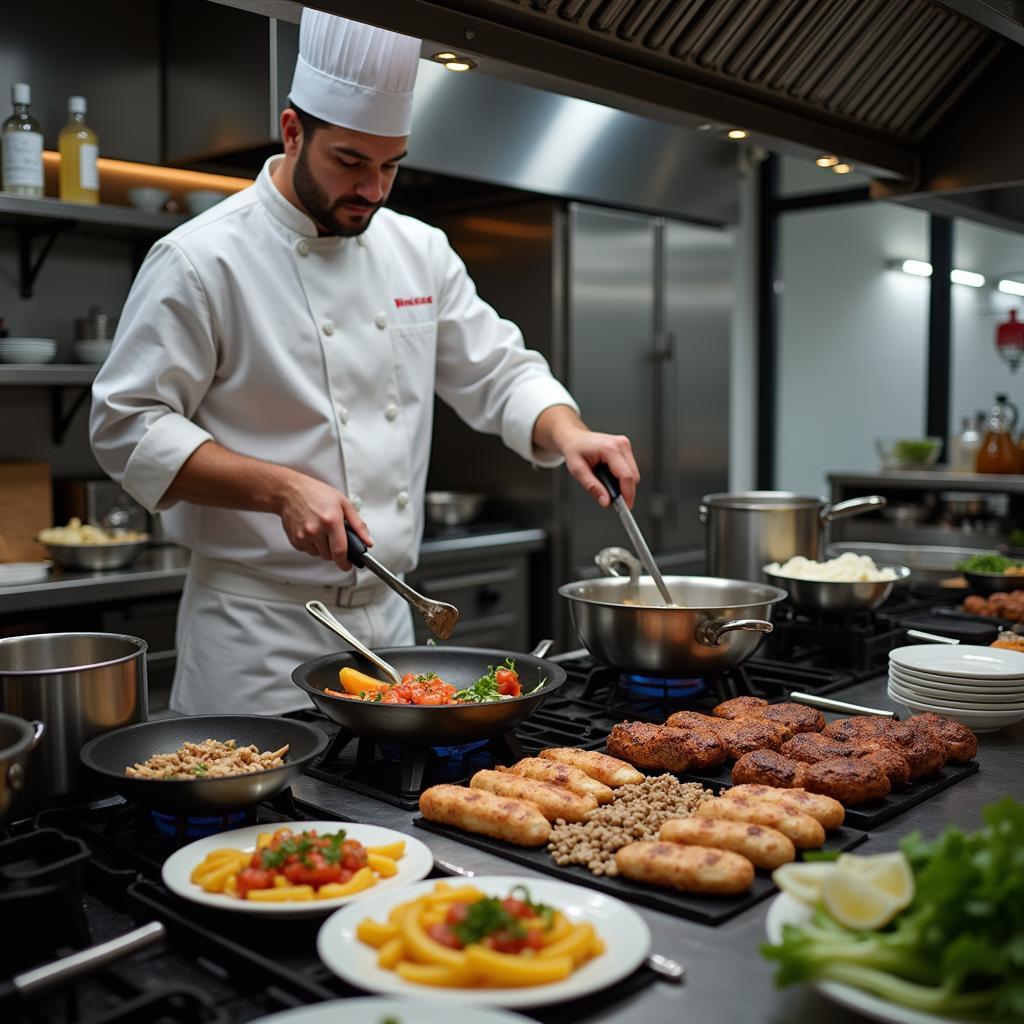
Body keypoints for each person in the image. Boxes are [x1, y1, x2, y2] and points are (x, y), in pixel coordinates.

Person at [90, 11, 639, 715]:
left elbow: (499, 369)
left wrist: (570, 432)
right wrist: (280, 488)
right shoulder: (201, 259)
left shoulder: (420, 251)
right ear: (293, 132)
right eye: (351, 161)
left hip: (389, 622)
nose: (374, 189)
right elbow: (125, 426)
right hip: (257, 636)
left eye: (390, 165)